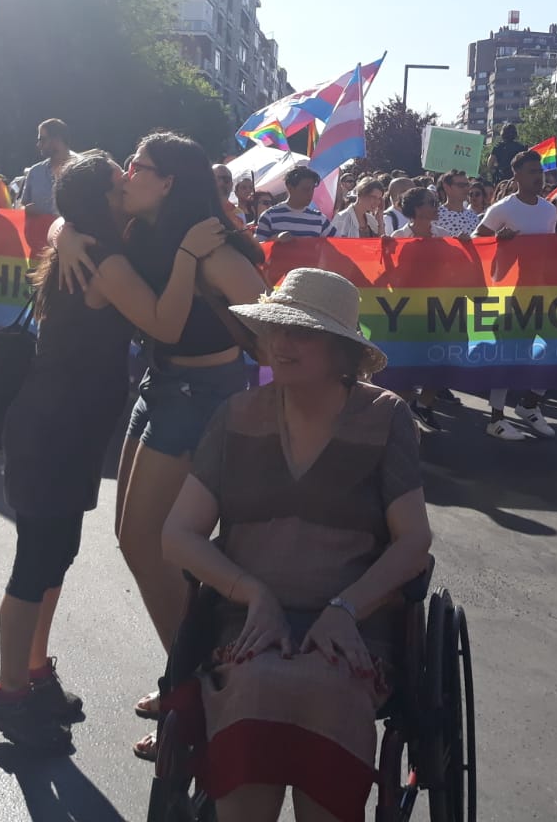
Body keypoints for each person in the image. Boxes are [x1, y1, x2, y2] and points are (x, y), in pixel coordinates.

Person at [0, 153, 230, 752]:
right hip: (55, 428)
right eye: (121, 181)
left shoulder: (83, 238)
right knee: (36, 560)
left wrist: (62, 230)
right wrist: (191, 258)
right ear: (104, 201)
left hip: (65, 426)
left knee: (56, 552)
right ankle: (9, 693)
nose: (131, 182)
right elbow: (165, 327)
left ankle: (35, 673)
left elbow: (57, 221)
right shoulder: (108, 261)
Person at [161, 268, 431, 821]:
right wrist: (251, 592)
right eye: (273, 330)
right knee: (257, 681)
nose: (280, 344)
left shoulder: (384, 417)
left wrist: (346, 609)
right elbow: (178, 534)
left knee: (325, 685)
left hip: (356, 629)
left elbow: (414, 544)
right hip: (247, 624)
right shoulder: (235, 417)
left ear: (341, 351)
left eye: (301, 333)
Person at [53, 132, 266, 758]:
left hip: (202, 395)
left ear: (168, 182)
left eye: (138, 166)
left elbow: (271, 320)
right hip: (161, 382)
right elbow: (69, 217)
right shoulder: (139, 230)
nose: (126, 172)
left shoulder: (208, 246)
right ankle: (191, 671)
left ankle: (198, 693)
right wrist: (64, 231)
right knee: (136, 540)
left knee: (152, 543)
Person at [475, 150, 557, 440]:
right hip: (511, 294)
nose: (539, 176)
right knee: (511, 354)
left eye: (541, 171)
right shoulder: (502, 208)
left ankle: (529, 405)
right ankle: (496, 418)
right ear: (517, 176)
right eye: (533, 171)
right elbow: (477, 241)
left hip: (543, 292)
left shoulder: (550, 210)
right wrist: (499, 240)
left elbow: (551, 249)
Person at [254, 166, 335, 240]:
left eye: (312, 189)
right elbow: (257, 249)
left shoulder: (319, 219)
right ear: (290, 188)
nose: (310, 194)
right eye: (305, 189)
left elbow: (338, 243)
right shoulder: (269, 216)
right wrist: (275, 239)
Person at [18, 118, 76, 216]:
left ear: (57, 139)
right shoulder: (35, 172)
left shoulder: (83, 170)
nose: (38, 145)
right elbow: (22, 206)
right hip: (41, 231)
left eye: (42, 140)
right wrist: (25, 209)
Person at [433, 171, 479, 237]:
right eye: (461, 185)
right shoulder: (435, 215)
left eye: (467, 185)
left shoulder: (473, 217)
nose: (466, 188)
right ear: (447, 187)